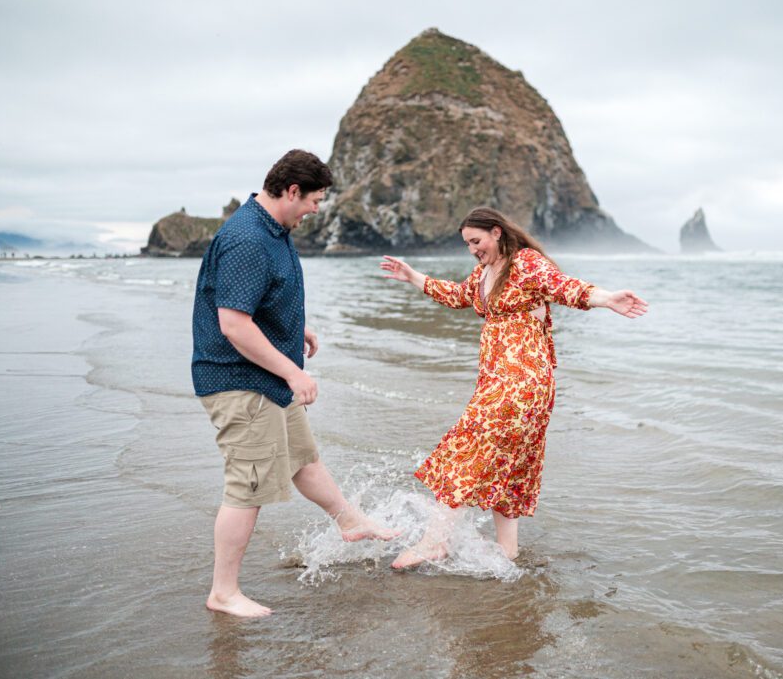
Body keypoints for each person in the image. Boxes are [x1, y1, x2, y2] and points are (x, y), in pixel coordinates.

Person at [380, 207, 648, 569]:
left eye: (477, 241)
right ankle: (508, 553)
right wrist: (414, 277)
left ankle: (435, 541)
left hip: (522, 382)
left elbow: (564, 287)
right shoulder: (485, 273)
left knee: (467, 449)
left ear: (496, 232)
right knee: (512, 465)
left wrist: (606, 298)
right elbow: (458, 295)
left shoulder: (525, 262)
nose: (473, 249)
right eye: (467, 245)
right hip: (501, 381)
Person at [192, 149, 396, 618]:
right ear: (291, 191)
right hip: (240, 380)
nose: (316, 210)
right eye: (315, 201)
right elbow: (234, 324)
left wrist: (291, 328)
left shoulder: (273, 230)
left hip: (263, 377)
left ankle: (350, 521)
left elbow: (255, 302)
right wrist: (293, 370)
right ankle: (223, 592)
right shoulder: (247, 238)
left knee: (302, 458)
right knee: (248, 485)